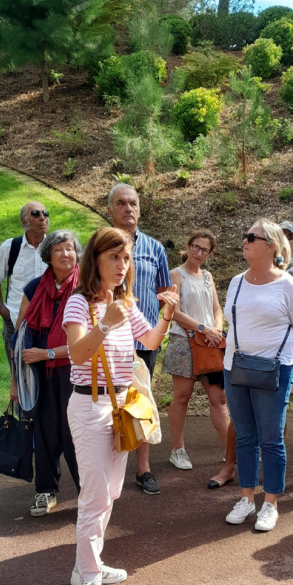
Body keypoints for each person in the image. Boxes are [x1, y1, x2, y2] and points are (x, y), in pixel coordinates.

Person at [63, 227, 179, 585]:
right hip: (89, 406)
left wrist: (166, 317)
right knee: (94, 498)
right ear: (95, 259)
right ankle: (90, 584)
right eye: (114, 256)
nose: (121, 264)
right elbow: (78, 355)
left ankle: (85, 568)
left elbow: (149, 342)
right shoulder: (79, 303)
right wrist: (106, 323)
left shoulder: (126, 304)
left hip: (121, 407)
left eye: (126, 258)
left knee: (110, 494)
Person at [223, 219, 293, 532]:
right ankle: (246, 498)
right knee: (245, 435)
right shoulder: (236, 282)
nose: (245, 240)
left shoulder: (289, 286)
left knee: (271, 438)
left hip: (274, 370)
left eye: (252, 236)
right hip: (234, 368)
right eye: (245, 235)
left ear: (271, 245)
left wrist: (275, 361)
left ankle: (271, 503)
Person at [9, 230, 82, 517]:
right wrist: (15, 382)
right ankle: (46, 490)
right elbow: (18, 340)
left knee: (75, 434)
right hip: (38, 376)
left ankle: (87, 494)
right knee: (45, 431)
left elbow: (87, 343)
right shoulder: (33, 289)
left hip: (76, 374)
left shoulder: (86, 289)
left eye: (70, 249)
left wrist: (47, 353)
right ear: (48, 256)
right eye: (59, 250)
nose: (66, 254)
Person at [107, 184, 172, 495]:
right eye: (121, 203)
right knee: (108, 403)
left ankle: (142, 468)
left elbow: (164, 294)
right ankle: (107, 468)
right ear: (110, 210)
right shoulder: (98, 246)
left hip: (143, 342)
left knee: (142, 402)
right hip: (106, 340)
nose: (128, 209)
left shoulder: (155, 249)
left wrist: (158, 328)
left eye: (133, 203)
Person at [164, 231, 232, 480]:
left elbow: (217, 308)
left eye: (204, 249)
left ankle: (231, 450)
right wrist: (203, 328)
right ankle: (178, 449)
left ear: (210, 253)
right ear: (188, 246)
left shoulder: (208, 276)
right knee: (181, 397)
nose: (199, 252)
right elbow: (174, 312)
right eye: (195, 246)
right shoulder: (176, 274)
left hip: (210, 343)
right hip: (184, 341)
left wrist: (215, 329)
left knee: (219, 399)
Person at [0, 202, 49, 372]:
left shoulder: (55, 247)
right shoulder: (10, 247)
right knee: (18, 376)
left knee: (44, 377)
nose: (42, 218)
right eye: (36, 214)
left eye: (45, 214)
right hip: (15, 321)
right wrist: (4, 311)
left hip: (47, 323)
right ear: (24, 221)